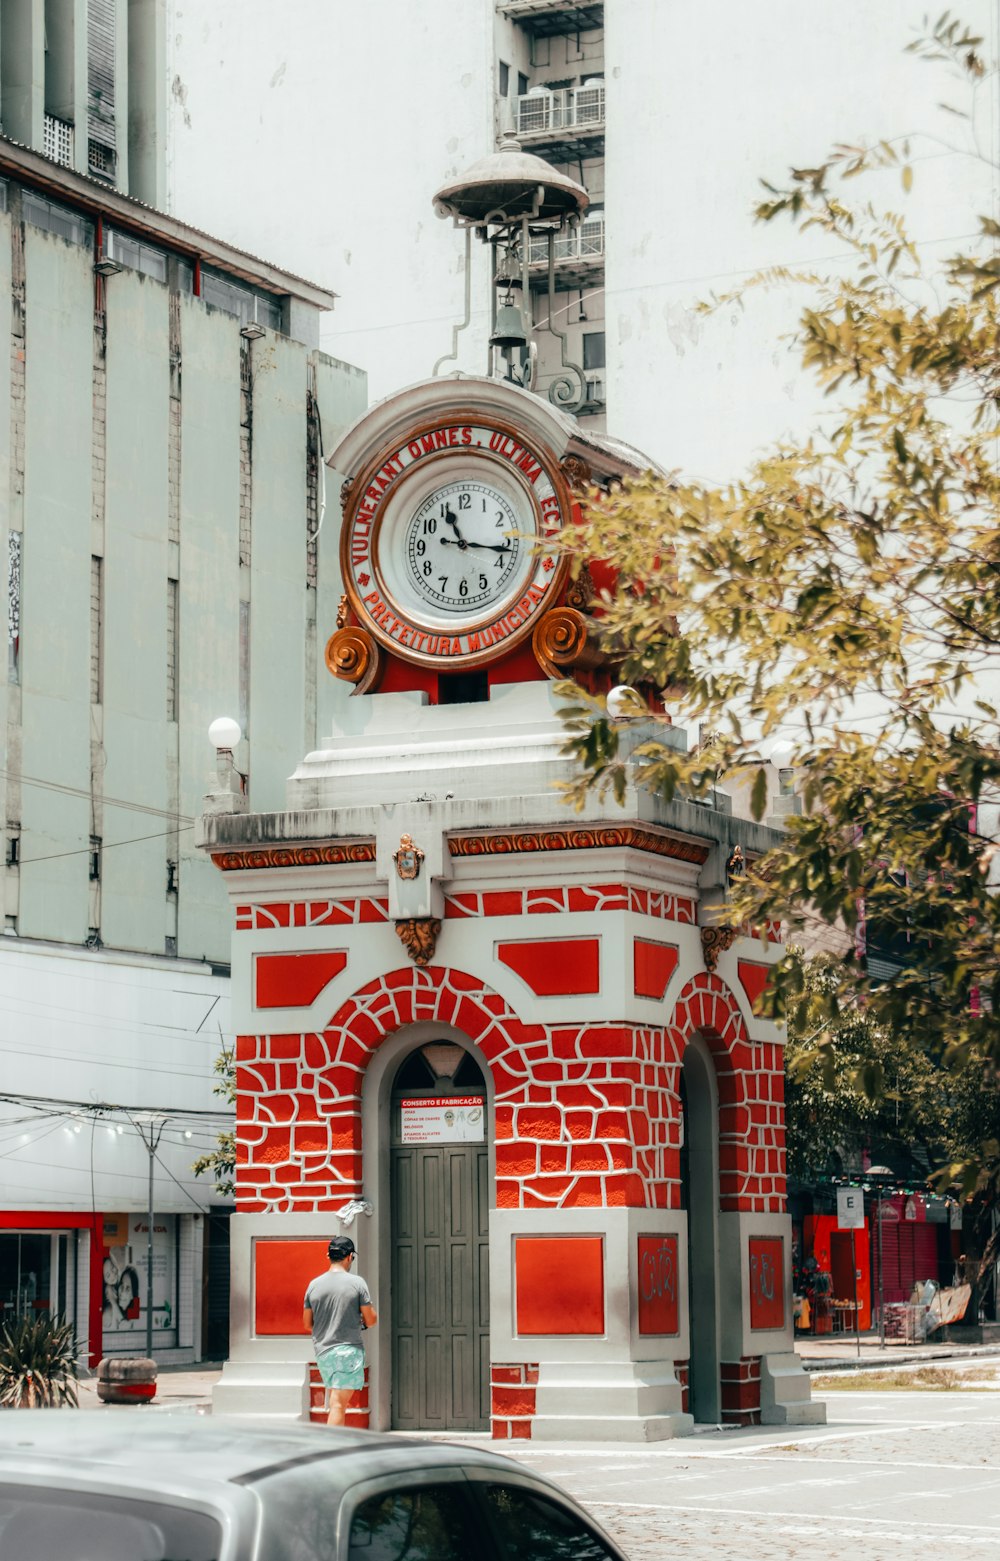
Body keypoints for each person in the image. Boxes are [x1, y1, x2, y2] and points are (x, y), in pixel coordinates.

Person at [303, 1236, 377, 1428]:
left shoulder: (313, 1285)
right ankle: (332, 1448)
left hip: (324, 1352)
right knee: (338, 1405)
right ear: (350, 1256)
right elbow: (371, 1319)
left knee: (335, 1402)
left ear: (328, 1255)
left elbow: (307, 1323)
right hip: (347, 1351)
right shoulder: (357, 1283)